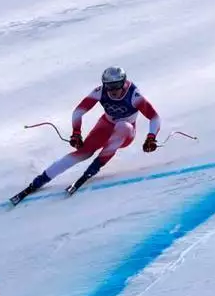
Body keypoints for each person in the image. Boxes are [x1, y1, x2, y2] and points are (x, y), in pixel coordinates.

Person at [10, 66, 160, 205]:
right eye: (109, 86)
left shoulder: (134, 95)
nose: (112, 90)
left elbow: (154, 117)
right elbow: (78, 111)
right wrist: (76, 132)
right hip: (106, 126)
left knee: (123, 127)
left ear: (123, 82)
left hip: (126, 133)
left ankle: (93, 168)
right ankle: (39, 181)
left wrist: (151, 137)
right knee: (83, 153)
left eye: (116, 86)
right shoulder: (100, 91)